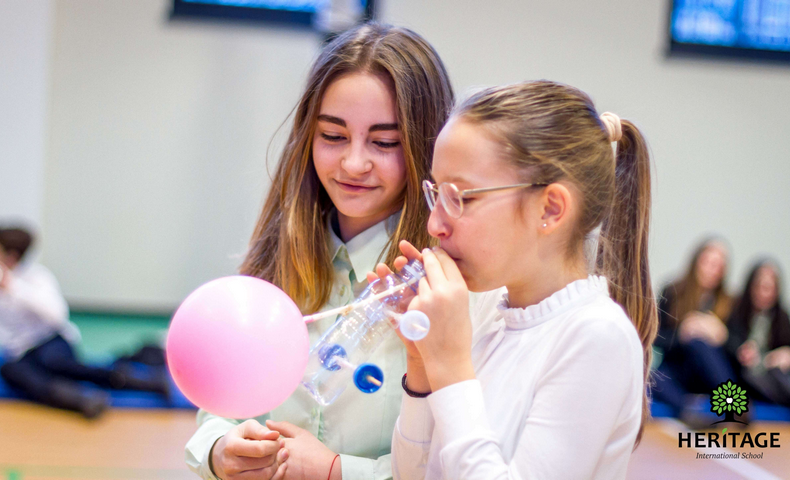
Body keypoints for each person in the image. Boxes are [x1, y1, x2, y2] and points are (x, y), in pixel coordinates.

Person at [184, 22, 454, 480]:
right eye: (332, 136)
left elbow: (462, 459)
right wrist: (218, 448)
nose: (353, 163)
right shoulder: (277, 261)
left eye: (385, 142)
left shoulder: (444, 289)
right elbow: (223, 407)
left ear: (427, 145)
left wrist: (335, 470)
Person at [373, 81, 657, 479]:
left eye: (461, 197)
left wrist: (451, 364)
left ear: (551, 208)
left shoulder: (596, 336)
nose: (434, 223)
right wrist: (422, 365)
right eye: (435, 193)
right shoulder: (491, 315)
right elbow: (414, 476)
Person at [0, 227, 166, 418]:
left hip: (51, 341)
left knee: (56, 363)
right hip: (20, 352)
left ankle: (142, 382)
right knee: (13, 371)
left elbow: (57, 315)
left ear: (11, 256)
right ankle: (81, 400)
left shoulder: (38, 277)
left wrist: (12, 286)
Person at [652, 239, 736, 425]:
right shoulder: (672, 291)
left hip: (708, 376)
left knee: (699, 342)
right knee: (654, 376)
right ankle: (687, 412)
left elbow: (737, 352)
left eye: (719, 266)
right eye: (708, 263)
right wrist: (682, 334)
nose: (713, 270)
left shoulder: (729, 302)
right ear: (696, 262)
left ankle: (732, 404)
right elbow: (656, 338)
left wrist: (722, 335)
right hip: (678, 369)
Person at [726, 260, 790, 406]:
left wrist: (785, 354)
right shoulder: (736, 312)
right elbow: (728, 342)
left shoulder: (782, 318)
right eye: (760, 286)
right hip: (745, 375)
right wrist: (741, 350)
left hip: (774, 375)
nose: (764, 293)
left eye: (769, 288)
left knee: (779, 374)